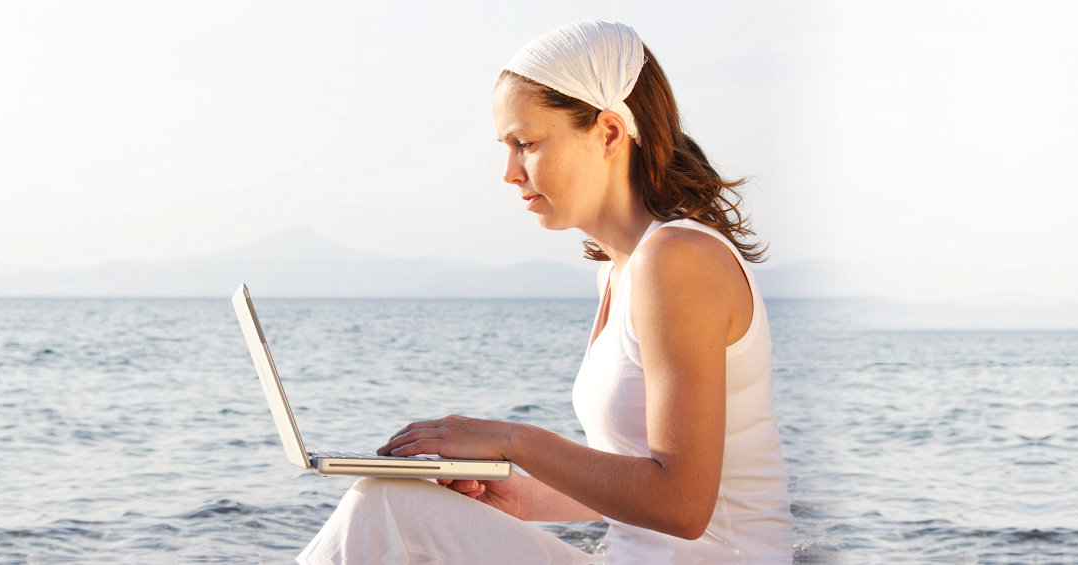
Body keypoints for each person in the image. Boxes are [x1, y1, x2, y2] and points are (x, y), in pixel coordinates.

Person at [298, 20, 791, 564]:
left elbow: (681, 505)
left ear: (608, 133)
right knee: (392, 497)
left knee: (385, 511)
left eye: (525, 144)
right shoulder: (620, 270)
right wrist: (519, 497)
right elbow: (634, 473)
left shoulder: (678, 260)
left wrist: (514, 441)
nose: (510, 172)